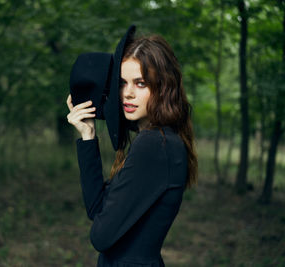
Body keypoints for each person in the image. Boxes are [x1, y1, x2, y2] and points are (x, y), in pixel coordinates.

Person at [66, 26, 197, 267]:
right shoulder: (159, 140)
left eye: (141, 83)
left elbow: (100, 236)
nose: (127, 93)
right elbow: (97, 209)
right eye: (122, 83)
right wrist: (88, 136)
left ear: (163, 86)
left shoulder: (155, 144)